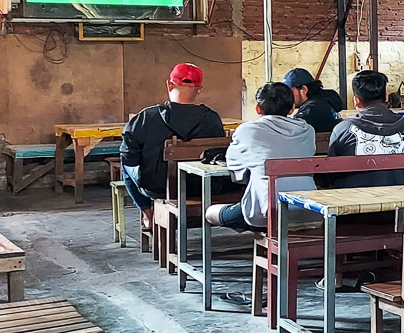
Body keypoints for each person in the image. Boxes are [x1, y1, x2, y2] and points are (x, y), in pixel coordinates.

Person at [120, 63, 224, 232]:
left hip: (158, 187)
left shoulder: (146, 117)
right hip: (202, 185)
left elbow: (128, 155)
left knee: (125, 165)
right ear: (199, 89)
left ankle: (148, 214)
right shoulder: (211, 119)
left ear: (169, 84)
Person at [206, 83, 316, 231]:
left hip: (267, 213)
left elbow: (236, 173)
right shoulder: (307, 131)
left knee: (210, 213)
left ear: (258, 108)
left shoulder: (247, 130)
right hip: (310, 210)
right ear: (291, 109)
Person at [327, 69, 404, 187]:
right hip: (402, 198)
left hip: (355, 201)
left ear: (356, 100)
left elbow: (330, 172)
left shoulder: (344, 129)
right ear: (386, 96)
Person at [283, 68, 342, 133]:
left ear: (304, 89)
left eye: (289, 91)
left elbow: (290, 131)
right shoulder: (327, 100)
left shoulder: (311, 109)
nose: (287, 95)